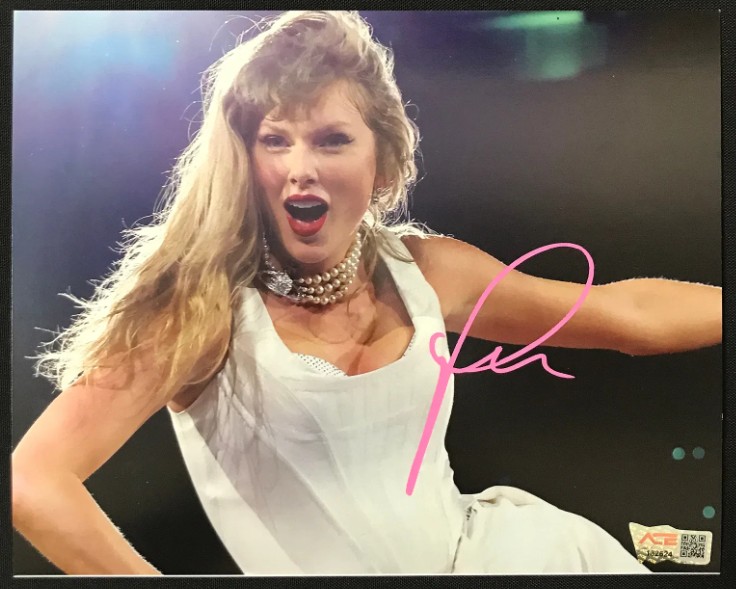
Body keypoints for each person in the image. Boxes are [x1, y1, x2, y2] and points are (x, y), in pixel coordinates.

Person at [12, 11, 721, 575]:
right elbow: (33, 481)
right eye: (275, 140)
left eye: (330, 140)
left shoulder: (428, 272)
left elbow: (630, 316)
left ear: (380, 164)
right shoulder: (203, 310)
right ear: (243, 160)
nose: (300, 168)